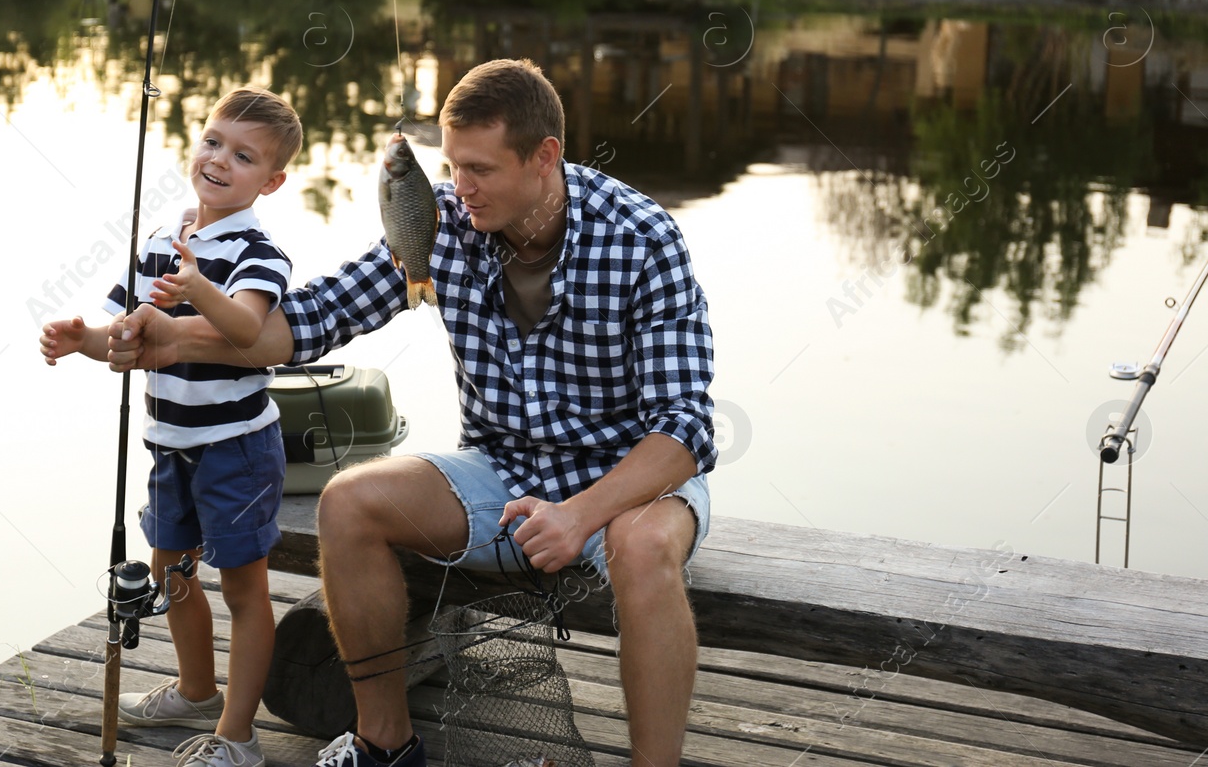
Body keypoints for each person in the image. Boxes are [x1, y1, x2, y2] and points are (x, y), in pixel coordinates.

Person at [109, 60, 716, 767]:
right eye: (453, 165)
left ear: (545, 155)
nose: (460, 187)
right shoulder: (443, 221)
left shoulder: (643, 236)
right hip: (502, 472)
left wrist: (581, 513)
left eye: (480, 169)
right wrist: (174, 334)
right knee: (350, 500)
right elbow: (309, 320)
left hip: (632, 483)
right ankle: (383, 745)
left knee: (641, 549)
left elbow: (685, 429)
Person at [39, 87, 304, 767]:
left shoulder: (258, 249)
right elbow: (125, 339)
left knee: (245, 589)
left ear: (270, 181)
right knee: (171, 570)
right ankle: (193, 688)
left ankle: (237, 734)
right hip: (171, 445)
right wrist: (87, 339)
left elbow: (248, 327)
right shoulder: (160, 242)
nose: (220, 159)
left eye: (244, 156)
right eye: (214, 141)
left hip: (238, 449)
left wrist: (195, 289)